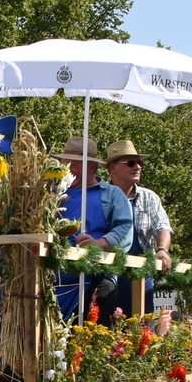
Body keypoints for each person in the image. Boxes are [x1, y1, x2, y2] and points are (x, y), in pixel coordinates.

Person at [52, 136, 133, 319]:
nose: (67, 170)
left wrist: (99, 243)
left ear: (91, 167)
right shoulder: (54, 193)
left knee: (103, 301)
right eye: (64, 164)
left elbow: (124, 227)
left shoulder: (112, 194)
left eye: (73, 165)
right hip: (56, 274)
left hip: (96, 271)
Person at [103, 140, 171, 315]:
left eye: (139, 163)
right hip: (107, 275)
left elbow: (162, 226)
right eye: (131, 163)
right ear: (112, 168)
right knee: (105, 329)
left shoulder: (149, 197)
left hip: (141, 277)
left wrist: (162, 249)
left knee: (142, 332)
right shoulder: (99, 196)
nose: (138, 167)